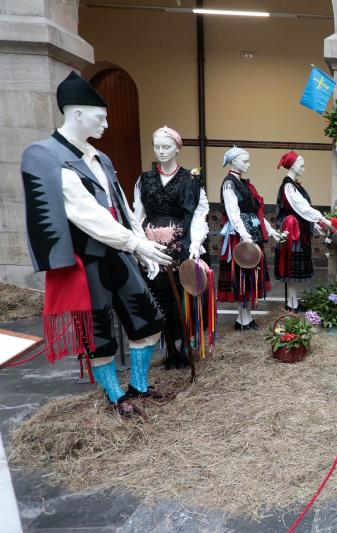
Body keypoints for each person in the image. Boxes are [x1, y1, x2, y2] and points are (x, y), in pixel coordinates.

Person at [19, 72, 172, 417]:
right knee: (98, 332)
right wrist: (135, 244)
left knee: (147, 320)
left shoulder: (100, 157)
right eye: (99, 116)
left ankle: (139, 386)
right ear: (76, 114)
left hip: (117, 252)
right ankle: (116, 397)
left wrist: (141, 245)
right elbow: (86, 214)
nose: (105, 123)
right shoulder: (44, 155)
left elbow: (119, 206)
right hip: (83, 260)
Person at [132, 126, 209, 369]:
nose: (161, 151)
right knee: (160, 297)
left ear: (177, 148)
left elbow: (199, 214)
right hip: (152, 248)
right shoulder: (144, 180)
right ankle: (169, 348)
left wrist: (195, 243)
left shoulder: (190, 179)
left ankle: (186, 345)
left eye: (166, 146)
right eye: (157, 147)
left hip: (181, 245)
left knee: (182, 298)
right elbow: (137, 214)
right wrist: (139, 244)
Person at [218, 147, 283, 329]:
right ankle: (243, 319)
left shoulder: (244, 184)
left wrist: (271, 231)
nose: (248, 164)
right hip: (241, 237)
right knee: (243, 276)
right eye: (245, 161)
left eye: (248, 161)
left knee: (250, 277)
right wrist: (245, 235)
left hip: (251, 234)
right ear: (234, 161)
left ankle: (244, 318)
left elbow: (257, 214)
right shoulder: (229, 184)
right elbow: (233, 213)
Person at [273, 151, 332, 311]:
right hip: (292, 231)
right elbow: (302, 207)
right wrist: (322, 219)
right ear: (292, 165)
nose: (304, 168)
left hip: (298, 229)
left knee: (293, 267)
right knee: (291, 267)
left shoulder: (294, 185)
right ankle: (292, 304)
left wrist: (319, 223)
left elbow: (304, 210)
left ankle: (294, 302)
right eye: (302, 165)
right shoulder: (288, 186)